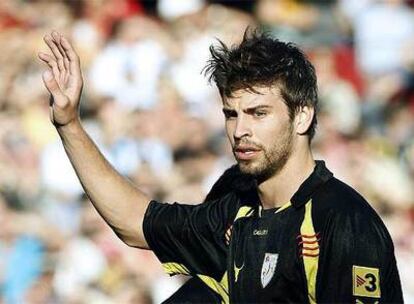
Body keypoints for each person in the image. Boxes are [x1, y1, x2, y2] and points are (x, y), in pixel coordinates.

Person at [38, 29, 403, 303]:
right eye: (231, 114)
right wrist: (69, 123)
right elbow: (136, 224)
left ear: (302, 116)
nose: (240, 130)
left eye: (258, 113)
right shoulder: (236, 199)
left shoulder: (344, 222)